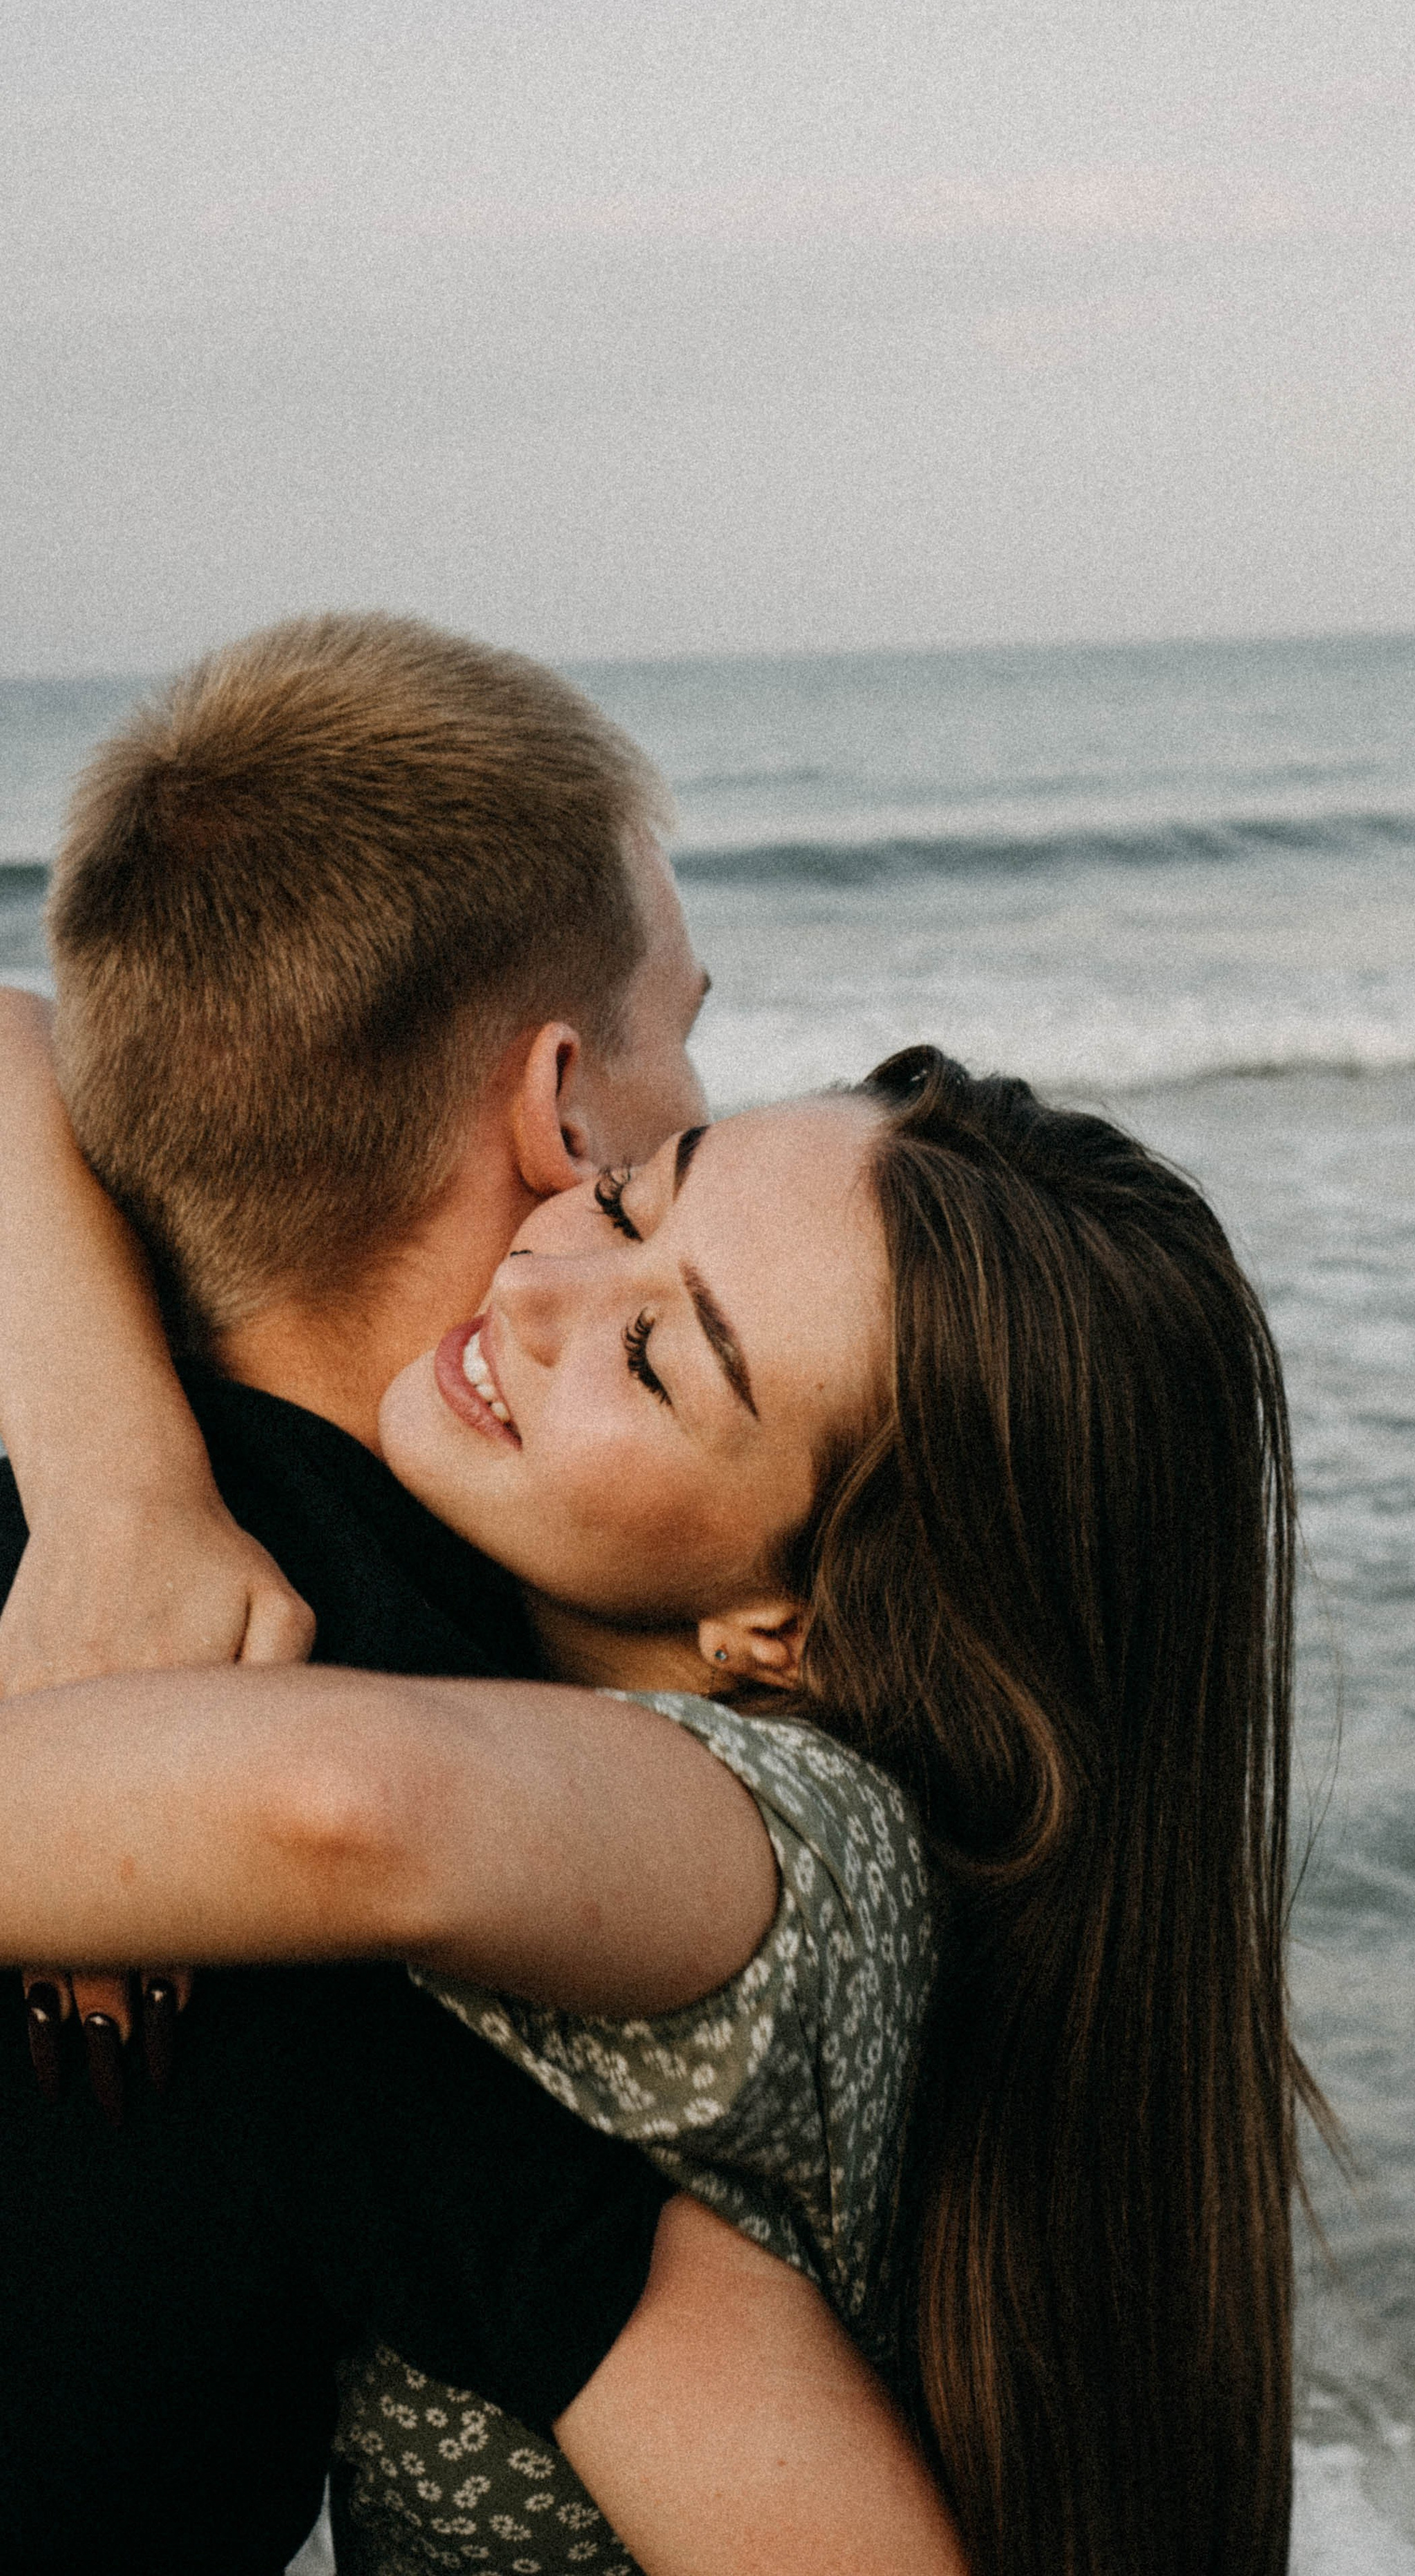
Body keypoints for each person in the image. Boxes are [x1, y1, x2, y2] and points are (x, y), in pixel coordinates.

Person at [0, 1021, 1322, 2575]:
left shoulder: (805, 1845)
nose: (539, 1290)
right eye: (629, 1198)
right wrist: (118, 1479)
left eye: (654, 1356)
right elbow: (21, 1041)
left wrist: (142, 1807)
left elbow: (348, 1811)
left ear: (792, 1629)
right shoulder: (554, 1705)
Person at [0, 614, 964, 2575]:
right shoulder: (424, 1707)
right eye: (684, 1030)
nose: (697, 1083)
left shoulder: (162, 1598)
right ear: (567, 1114)